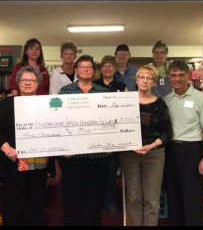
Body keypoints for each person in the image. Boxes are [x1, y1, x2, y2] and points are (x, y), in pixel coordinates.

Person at [0, 66, 53, 226]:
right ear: (18, 83)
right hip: (13, 163)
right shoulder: (6, 104)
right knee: (13, 206)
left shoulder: (47, 105)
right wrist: (6, 148)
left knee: (37, 206)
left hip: (38, 164)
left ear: (38, 83)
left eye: (32, 80)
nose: (28, 83)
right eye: (24, 80)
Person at [58, 55, 111, 226]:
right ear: (76, 70)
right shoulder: (66, 91)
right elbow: (58, 120)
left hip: (97, 157)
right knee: (71, 199)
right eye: (82, 67)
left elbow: (110, 121)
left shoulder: (103, 92)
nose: (86, 70)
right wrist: (63, 149)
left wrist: (111, 144)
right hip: (72, 157)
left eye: (89, 67)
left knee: (94, 200)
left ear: (94, 71)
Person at [119, 64, 173, 226]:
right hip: (129, 154)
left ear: (154, 82)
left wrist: (151, 146)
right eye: (142, 77)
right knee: (133, 196)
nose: (145, 80)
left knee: (151, 198)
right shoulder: (125, 102)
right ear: (136, 80)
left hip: (153, 155)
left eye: (149, 78)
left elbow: (167, 133)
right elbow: (116, 125)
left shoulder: (160, 104)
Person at [163, 60, 203, 226]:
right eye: (173, 75)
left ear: (188, 76)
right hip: (171, 151)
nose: (177, 78)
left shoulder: (200, 98)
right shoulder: (166, 99)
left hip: (192, 151)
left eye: (180, 75)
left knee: (192, 196)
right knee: (174, 193)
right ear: (169, 77)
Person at [93, 55, 126, 216]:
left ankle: (110, 202)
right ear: (101, 69)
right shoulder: (94, 85)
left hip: (114, 135)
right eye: (104, 65)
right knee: (96, 171)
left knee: (111, 171)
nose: (107, 68)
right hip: (96, 134)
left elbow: (125, 111)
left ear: (115, 68)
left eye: (110, 65)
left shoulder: (122, 86)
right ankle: (96, 202)